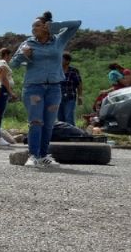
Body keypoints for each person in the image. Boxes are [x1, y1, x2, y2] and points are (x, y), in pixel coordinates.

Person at [9, 11, 81, 167]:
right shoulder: (28, 43)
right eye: (32, 26)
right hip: (33, 88)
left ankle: (43, 155)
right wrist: (22, 55)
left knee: (49, 123)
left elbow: (77, 23)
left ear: (46, 26)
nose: (33, 28)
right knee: (36, 121)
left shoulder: (59, 41)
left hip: (54, 88)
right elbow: (13, 65)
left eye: (37, 25)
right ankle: (33, 155)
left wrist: (56, 26)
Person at [0, 48, 15, 146]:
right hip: (2, 90)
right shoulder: (3, 63)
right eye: (10, 55)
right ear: (6, 55)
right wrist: (11, 92)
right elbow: (3, 78)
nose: (10, 58)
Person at [59, 52, 84, 126]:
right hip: (57, 97)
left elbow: (79, 84)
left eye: (62, 59)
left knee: (69, 118)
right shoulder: (57, 70)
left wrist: (80, 96)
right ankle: (63, 135)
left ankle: (72, 135)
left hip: (70, 97)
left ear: (67, 61)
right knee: (60, 118)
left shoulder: (73, 71)